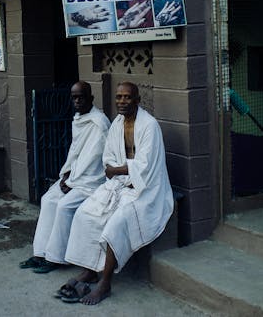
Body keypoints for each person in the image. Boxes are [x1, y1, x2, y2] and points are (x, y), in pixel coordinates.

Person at [60, 82, 173, 305]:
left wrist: (118, 170)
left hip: (146, 190)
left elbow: (146, 165)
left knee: (116, 224)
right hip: (119, 184)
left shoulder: (149, 126)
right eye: (119, 97)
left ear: (137, 100)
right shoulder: (116, 124)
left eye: (127, 97)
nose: (121, 101)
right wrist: (117, 172)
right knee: (85, 213)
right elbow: (108, 157)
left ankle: (105, 283)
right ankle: (90, 270)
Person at [19, 81, 110, 275]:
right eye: (74, 97)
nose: (77, 101)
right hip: (75, 177)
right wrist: (66, 174)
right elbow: (75, 153)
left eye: (81, 97)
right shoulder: (79, 118)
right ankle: (40, 254)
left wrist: (73, 180)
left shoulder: (99, 122)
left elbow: (94, 159)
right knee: (48, 199)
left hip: (91, 181)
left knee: (64, 206)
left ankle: (56, 258)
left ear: (91, 98)